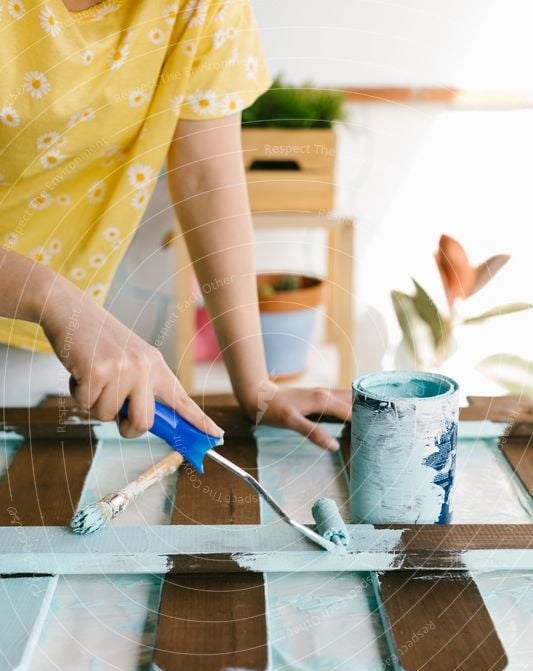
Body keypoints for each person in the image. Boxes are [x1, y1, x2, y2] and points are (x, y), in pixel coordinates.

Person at [0, 0, 351, 448]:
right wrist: (48, 295)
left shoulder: (203, 7)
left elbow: (207, 177)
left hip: (42, 336)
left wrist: (257, 387)